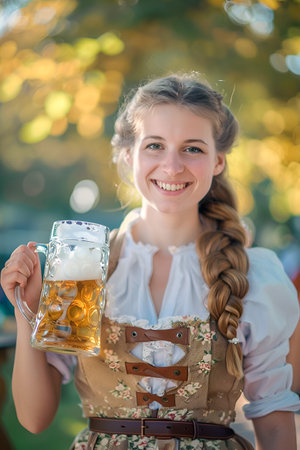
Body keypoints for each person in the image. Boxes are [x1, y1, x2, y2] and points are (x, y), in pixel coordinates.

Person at [1, 73, 299, 450]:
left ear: (218, 161)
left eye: (192, 148)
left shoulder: (252, 273)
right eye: (155, 145)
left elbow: (274, 424)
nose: (172, 167)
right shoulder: (84, 269)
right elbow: (34, 418)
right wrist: (27, 310)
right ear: (129, 154)